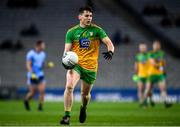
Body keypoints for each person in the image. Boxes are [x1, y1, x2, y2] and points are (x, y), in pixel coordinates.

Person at [60, 6, 115, 125]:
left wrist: (110, 51)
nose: (89, 18)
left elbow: (109, 42)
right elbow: (66, 51)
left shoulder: (97, 30)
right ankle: (67, 116)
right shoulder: (71, 32)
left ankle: (83, 108)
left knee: (85, 95)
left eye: (90, 16)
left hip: (91, 67)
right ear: (79, 17)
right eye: (86, 16)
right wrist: (65, 62)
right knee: (69, 87)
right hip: (76, 65)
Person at [143, 40, 172, 108]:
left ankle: (166, 102)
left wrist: (163, 69)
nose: (156, 46)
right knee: (148, 90)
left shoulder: (161, 53)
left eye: (158, 45)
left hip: (159, 74)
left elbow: (163, 62)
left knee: (163, 89)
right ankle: (145, 102)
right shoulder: (150, 54)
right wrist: (160, 67)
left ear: (160, 46)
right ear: (153, 46)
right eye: (155, 45)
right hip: (151, 74)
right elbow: (152, 62)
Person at [24, 40, 46, 111]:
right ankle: (26, 101)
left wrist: (47, 65)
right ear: (39, 45)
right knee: (32, 93)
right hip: (32, 75)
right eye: (43, 45)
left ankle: (40, 107)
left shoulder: (43, 54)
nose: (44, 46)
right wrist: (32, 73)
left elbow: (41, 65)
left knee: (42, 91)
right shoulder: (31, 54)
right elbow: (28, 65)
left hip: (40, 74)